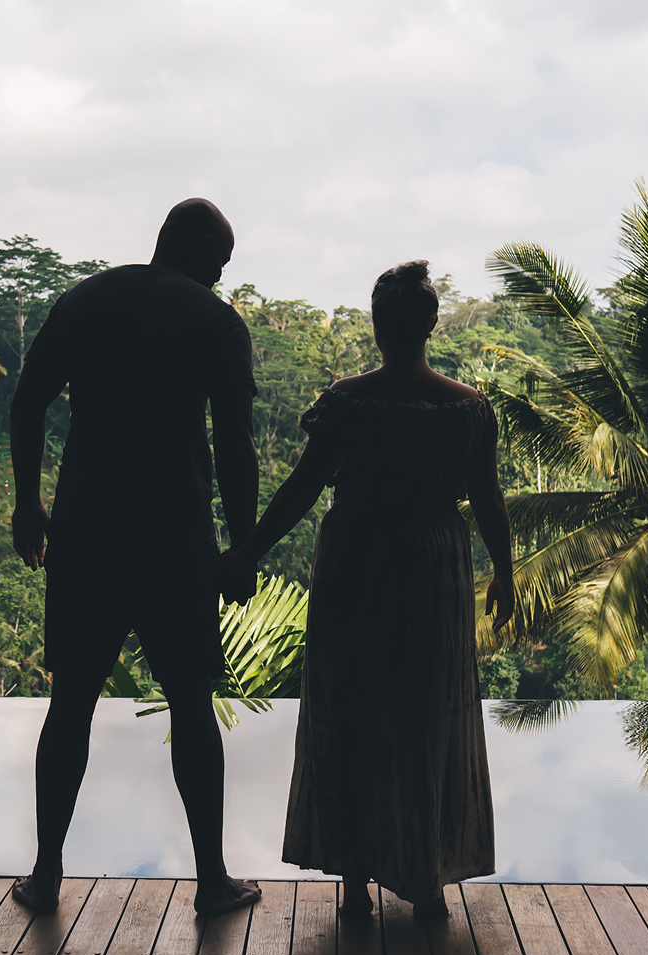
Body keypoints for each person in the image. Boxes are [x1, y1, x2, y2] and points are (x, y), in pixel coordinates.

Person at [217, 259, 515, 918]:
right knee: (426, 714)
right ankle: (426, 879)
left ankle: (355, 882)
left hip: (358, 557)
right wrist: (506, 572)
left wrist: (247, 553)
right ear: (431, 325)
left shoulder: (348, 403)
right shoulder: (467, 408)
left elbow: (301, 488)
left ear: (378, 325)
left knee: (350, 708)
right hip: (433, 564)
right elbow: (489, 499)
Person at [7, 198, 263, 918]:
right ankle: (211, 880)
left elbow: (27, 402)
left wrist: (28, 503)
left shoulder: (85, 301)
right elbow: (235, 444)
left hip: (86, 532)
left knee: (71, 705)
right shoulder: (215, 322)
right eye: (220, 261)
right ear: (199, 251)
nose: (221, 275)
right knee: (191, 704)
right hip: (174, 538)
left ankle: (46, 875)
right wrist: (242, 545)